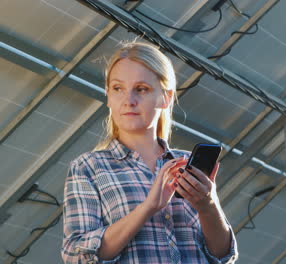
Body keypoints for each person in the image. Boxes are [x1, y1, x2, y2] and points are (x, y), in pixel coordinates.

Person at [61, 41, 238, 264]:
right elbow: (76, 256)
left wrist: (209, 205)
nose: (129, 101)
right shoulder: (89, 167)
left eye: (141, 89)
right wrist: (149, 207)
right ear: (108, 96)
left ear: (166, 97)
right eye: (118, 89)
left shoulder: (185, 164)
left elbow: (223, 256)